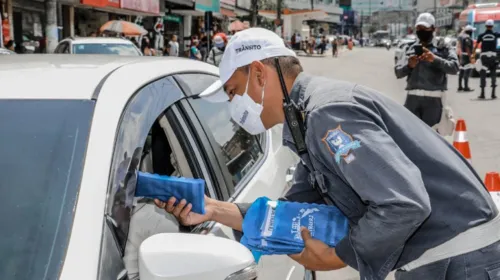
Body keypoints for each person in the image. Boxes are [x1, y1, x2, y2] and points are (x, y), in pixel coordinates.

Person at [155, 27, 500, 280]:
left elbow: (404, 203)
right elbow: (296, 209)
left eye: (233, 92)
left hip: (460, 260)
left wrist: (339, 256)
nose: (233, 106)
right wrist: (212, 209)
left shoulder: (327, 113)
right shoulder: (304, 121)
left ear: (258, 73)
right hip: (440, 259)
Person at [395, 13, 459, 128]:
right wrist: (409, 66)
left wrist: (434, 59)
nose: (421, 31)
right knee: (410, 136)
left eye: (425, 28)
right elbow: (398, 72)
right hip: (412, 100)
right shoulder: (409, 48)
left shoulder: (443, 47)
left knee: (431, 139)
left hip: (433, 100)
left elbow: (454, 67)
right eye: (419, 28)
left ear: (433, 29)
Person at [473, 19, 499, 99]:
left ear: (485, 26)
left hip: (484, 57)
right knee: (493, 73)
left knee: (483, 74)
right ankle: (493, 94)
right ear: (493, 26)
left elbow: (476, 46)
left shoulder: (481, 35)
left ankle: (482, 94)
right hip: (493, 57)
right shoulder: (495, 34)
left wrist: (473, 54)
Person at [457, 25, 475, 92]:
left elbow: (459, 35)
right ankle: (466, 87)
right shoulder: (467, 38)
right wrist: (470, 57)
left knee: (461, 71)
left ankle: (460, 86)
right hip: (467, 56)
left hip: (462, 56)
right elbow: (467, 47)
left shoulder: (461, 36)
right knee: (467, 72)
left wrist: (463, 30)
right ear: (470, 32)